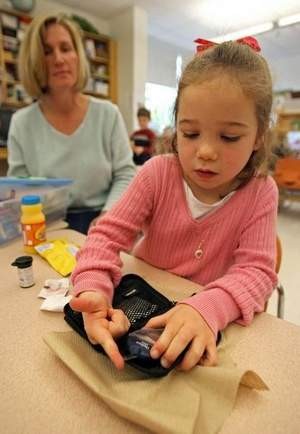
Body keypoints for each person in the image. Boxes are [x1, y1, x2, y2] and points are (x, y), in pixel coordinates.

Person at [70, 37, 278, 372]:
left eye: (229, 137)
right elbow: (105, 237)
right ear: (176, 127)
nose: (206, 151)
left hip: (201, 325)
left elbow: (257, 273)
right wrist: (93, 287)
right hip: (139, 306)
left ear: (258, 137)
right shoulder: (157, 174)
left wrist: (208, 307)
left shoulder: (260, 191)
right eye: (191, 133)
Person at [7, 13, 136, 234]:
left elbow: (125, 174)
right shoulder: (21, 123)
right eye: (47, 52)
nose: (59, 59)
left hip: (104, 220)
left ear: (78, 55)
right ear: (33, 61)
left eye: (66, 48)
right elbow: (20, 191)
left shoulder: (108, 114)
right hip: (47, 226)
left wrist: (108, 216)